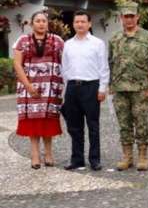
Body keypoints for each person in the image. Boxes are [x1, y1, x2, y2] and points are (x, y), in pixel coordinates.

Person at [109, 1, 148, 171]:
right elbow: (109, 62)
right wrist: (110, 84)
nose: (129, 20)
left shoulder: (147, 37)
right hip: (120, 89)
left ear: (137, 17)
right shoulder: (115, 39)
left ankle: (143, 156)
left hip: (140, 89)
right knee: (124, 124)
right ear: (121, 18)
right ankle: (127, 156)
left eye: (132, 16)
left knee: (141, 123)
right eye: (125, 17)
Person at [13, 11, 65, 169]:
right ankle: (35, 155)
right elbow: (17, 65)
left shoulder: (57, 41)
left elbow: (66, 62)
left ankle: (48, 153)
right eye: (38, 21)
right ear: (31, 23)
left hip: (51, 88)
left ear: (47, 23)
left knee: (48, 121)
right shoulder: (22, 41)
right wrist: (28, 86)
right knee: (33, 121)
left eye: (44, 21)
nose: (41, 23)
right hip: (28, 88)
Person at [60, 10, 109, 171]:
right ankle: (77, 159)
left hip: (91, 87)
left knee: (93, 125)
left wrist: (102, 88)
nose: (79, 24)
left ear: (89, 24)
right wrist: (65, 92)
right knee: (74, 126)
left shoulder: (97, 43)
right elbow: (64, 68)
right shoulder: (68, 44)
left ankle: (94, 159)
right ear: (73, 24)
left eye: (83, 21)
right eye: (77, 22)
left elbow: (103, 68)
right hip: (73, 87)